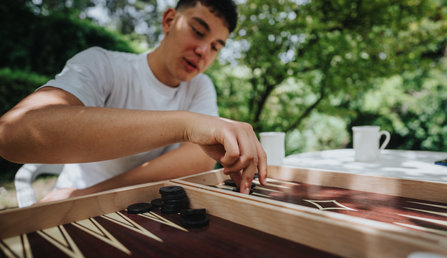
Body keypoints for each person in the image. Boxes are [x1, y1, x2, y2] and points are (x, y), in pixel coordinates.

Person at [0, 0, 267, 202]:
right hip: (76, 205)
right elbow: (12, 134)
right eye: (198, 31)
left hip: (128, 201)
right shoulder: (103, 64)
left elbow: (198, 159)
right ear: (169, 20)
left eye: (215, 47)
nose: (203, 51)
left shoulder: (200, 86)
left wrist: (93, 194)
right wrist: (186, 124)